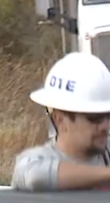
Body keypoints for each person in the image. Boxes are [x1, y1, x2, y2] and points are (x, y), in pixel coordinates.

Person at [12, 51, 110, 192]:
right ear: (61, 120)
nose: (105, 126)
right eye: (95, 118)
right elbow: (34, 177)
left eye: (108, 115)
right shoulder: (34, 161)